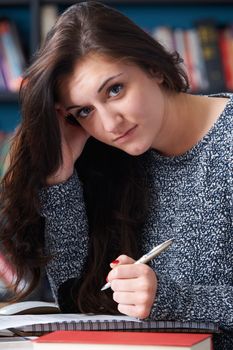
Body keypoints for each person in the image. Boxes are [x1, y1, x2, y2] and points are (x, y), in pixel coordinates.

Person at [0, 1, 232, 348]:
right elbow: (77, 304)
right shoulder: (111, 160)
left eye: (115, 90)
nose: (109, 125)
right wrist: (61, 180)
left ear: (153, 66)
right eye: (84, 111)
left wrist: (172, 299)